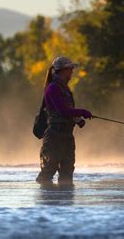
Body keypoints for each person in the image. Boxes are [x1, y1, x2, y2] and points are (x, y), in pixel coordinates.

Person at [35, 56, 92, 184]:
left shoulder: (65, 89)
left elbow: (67, 111)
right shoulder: (53, 88)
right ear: (62, 70)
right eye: (70, 69)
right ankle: (47, 201)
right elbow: (62, 111)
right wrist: (82, 112)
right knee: (48, 172)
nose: (72, 71)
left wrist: (79, 121)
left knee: (67, 172)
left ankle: (65, 202)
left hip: (67, 135)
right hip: (54, 135)